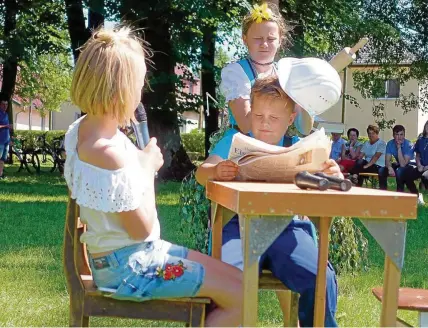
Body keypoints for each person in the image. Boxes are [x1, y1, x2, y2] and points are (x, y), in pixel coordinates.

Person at [63, 26, 242, 327]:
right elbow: (140, 228)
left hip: (129, 256)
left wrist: (139, 162)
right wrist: (146, 169)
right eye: (138, 84)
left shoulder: (82, 130)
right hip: (129, 267)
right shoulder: (108, 152)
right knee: (239, 292)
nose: (141, 92)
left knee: (239, 280)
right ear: (119, 89)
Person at [196, 75, 339, 327]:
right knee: (228, 282)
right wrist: (216, 172)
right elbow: (202, 172)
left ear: (291, 119)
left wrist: (331, 176)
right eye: (259, 116)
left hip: (288, 229)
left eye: (274, 119)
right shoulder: (233, 141)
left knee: (320, 279)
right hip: (237, 229)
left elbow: (325, 188)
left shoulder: (299, 148)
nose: (264, 125)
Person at [219, 2, 312, 140]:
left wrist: (305, 96)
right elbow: (245, 125)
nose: (264, 44)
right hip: (242, 146)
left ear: (280, 40)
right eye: (257, 39)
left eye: (271, 39)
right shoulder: (236, 72)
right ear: (245, 40)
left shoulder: (287, 74)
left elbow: (304, 128)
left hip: (276, 145)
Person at [378, 125, 416, 192]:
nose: (399, 137)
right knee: (381, 170)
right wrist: (389, 168)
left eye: (401, 135)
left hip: (411, 165)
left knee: (399, 171)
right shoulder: (390, 144)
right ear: (393, 135)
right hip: (399, 164)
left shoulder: (409, 145)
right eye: (397, 134)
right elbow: (387, 160)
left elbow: (403, 164)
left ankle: (399, 194)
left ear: (404, 135)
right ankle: (383, 193)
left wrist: (399, 148)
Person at [0, 98, 11, 179]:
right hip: (0, 140)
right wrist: (6, 126)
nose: (5, 106)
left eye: (6, 104)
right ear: (0, 105)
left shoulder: (6, 114)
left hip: (6, 140)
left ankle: (0, 174)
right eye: (3, 104)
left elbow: (8, 128)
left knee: (3, 159)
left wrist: (10, 139)